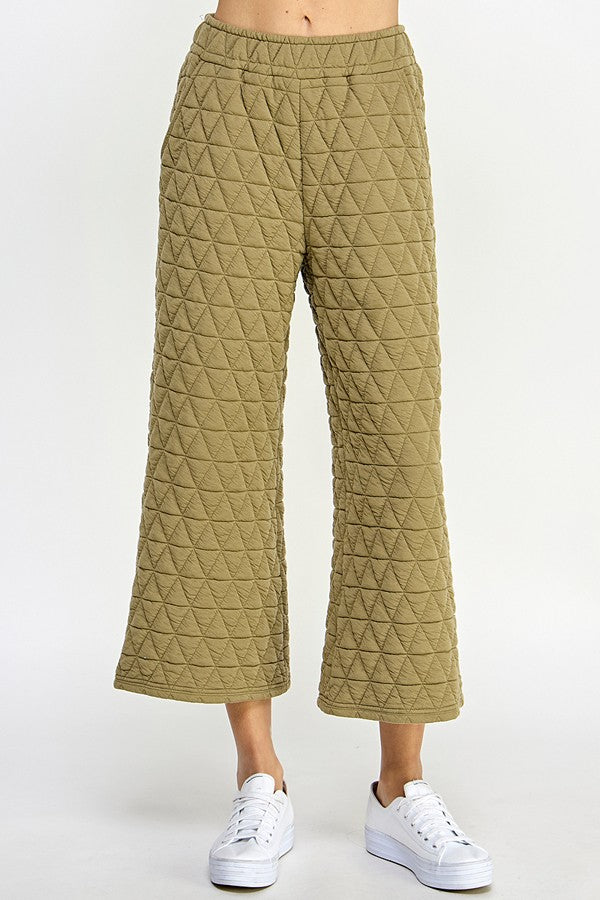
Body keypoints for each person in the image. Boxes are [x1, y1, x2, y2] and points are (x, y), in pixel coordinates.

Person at [113, 1, 492, 890]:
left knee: (397, 436)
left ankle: (400, 788)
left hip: (372, 94)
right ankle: (259, 775)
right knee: (214, 435)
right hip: (230, 95)